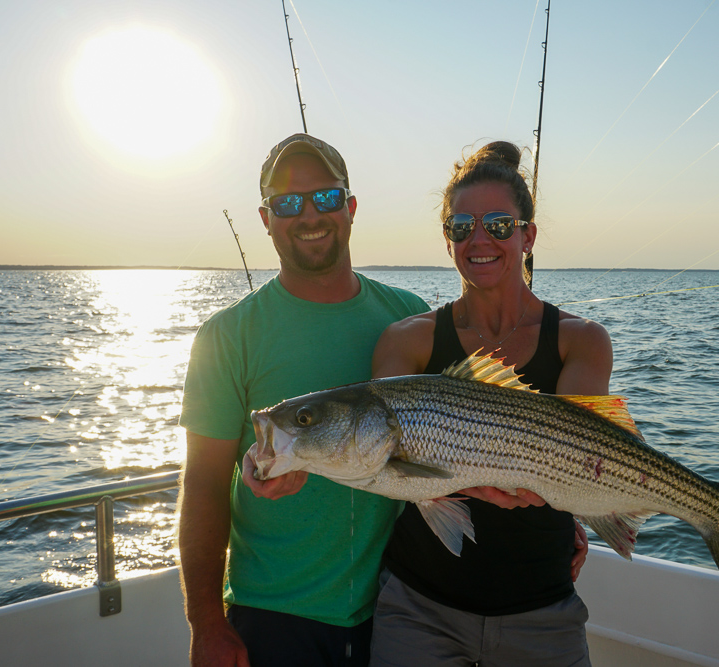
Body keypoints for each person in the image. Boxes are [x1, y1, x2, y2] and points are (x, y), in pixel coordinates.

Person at [178, 133, 429, 667]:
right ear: (266, 219)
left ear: (351, 208)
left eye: (327, 198)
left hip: (398, 608)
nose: (310, 214)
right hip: (272, 617)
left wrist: (558, 521)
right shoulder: (225, 336)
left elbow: (470, 435)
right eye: (289, 203)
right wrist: (206, 624)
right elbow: (202, 482)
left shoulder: (409, 317)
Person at [368, 141, 613, 667]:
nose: (479, 240)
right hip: (418, 607)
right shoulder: (405, 341)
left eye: (499, 225)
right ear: (447, 238)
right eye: (462, 227)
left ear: (528, 235)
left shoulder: (581, 339)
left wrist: (582, 510)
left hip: (543, 609)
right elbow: (381, 456)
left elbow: (581, 455)